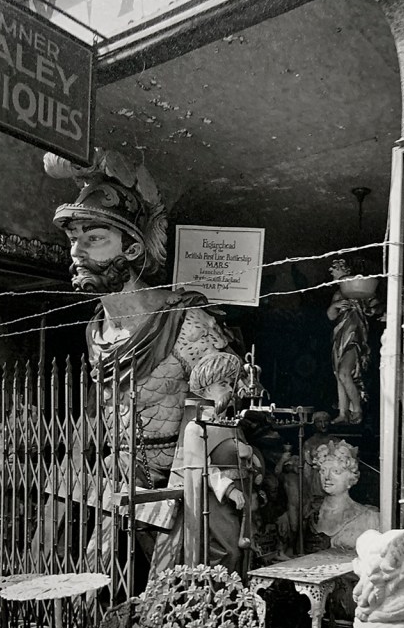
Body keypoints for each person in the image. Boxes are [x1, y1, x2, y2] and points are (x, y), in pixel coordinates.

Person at [39, 149, 239, 580]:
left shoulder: (183, 320)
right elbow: (97, 410)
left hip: (184, 472)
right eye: (74, 238)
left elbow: (219, 403)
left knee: (180, 575)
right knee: (91, 568)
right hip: (122, 468)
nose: (76, 250)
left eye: (94, 238)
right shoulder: (97, 329)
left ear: (131, 249)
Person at [185, 351, 265, 574]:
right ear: (207, 388)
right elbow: (202, 467)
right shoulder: (197, 427)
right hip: (217, 502)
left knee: (246, 551)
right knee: (228, 551)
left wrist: (252, 458)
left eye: (230, 383)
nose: (230, 390)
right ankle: (218, 600)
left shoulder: (232, 424)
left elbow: (245, 454)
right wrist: (229, 490)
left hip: (242, 498)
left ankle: (239, 598)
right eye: (223, 384)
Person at [326, 259, 380, 425]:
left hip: (354, 338)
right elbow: (330, 316)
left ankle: (357, 408)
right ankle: (343, 412)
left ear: (345, 270)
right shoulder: (338, 294)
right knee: (339, 375)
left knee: (344, 372)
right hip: (340, 338)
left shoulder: (360, 292)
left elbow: (375, 307)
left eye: (334, 268)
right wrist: (335, 305)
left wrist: (372, 309)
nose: (330, 271)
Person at [310, 439, 380, 550]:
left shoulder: (369, 518)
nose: (327, 477)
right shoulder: (310, 514)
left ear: (351, 477)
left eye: (336, 471)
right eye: (323, 471)